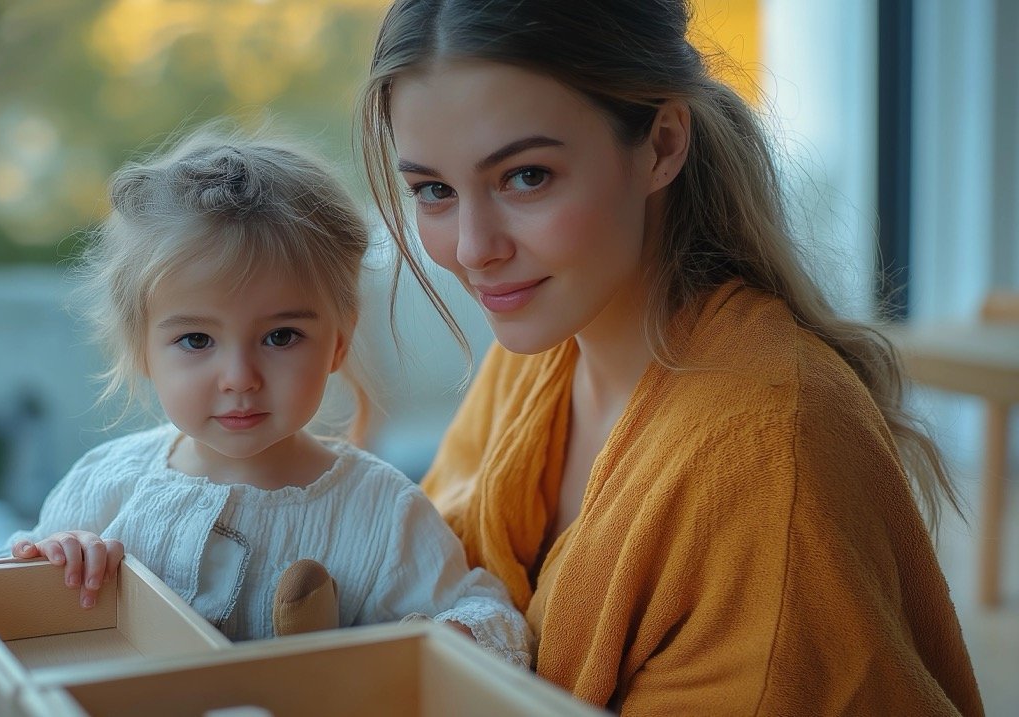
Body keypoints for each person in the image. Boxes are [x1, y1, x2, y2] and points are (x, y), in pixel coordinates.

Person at [358, 1, 984, 714]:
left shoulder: (770, 459)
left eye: (525, 176)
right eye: (433, 190)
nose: (473, 250)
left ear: (661, 144)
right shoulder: (540, 351)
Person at [0, 127, 531, 666]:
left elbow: (490, 616)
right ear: (142, 351)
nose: (240, 377)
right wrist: (53, 559)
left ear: (337, 344)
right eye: (196, 340)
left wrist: (448, 638)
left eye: (280, 337)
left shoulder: (382, 514)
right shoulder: (107, 484)